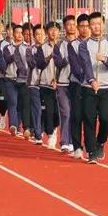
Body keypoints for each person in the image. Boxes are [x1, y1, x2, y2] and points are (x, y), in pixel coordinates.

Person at [79, 12, 108, 164]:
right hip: (88, 88)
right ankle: (91, 151)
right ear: (89, 26)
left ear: (103, 25)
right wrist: (91, 80)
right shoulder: (84, 45)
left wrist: (104, 59)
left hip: (106, 87)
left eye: (98, 24)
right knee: (89, 119)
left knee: (106, 119)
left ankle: (101, 142)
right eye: (93, 24)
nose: (96, 27)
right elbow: (85, 64)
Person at [54, 16, 79, 154]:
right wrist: (68, 59)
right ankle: (64, 141)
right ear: (64, 27)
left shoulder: (80, 44)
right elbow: (57, 62)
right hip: (63, 83)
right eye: (68, 24)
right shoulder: (59, 45)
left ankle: (73, 141)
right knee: (66, 113)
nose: (71, 27)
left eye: (73, 24)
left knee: (75, 114)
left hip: (76, 83)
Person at [2, 25, 29, 137]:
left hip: (23, 80)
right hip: (10, 78)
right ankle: (13, 125)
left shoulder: (28, 47)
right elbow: (7, 59)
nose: (19, 35)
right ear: (12, 34)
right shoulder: (7, 48)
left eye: (21, 32)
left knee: (22, 104)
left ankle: (23, 126)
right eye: (16, 32)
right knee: (13, 102)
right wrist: (16, 53)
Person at [68, 14, 90, 159]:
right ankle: (76, 146)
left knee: (89, 116)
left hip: (90, 86)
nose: (84, 29)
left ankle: (90, 146)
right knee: (76, 116)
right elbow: (75, 67)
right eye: (81, 26)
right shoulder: (73, 45)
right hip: (77, 83)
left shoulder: (96, 43)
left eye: (86, 26)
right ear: (78, 27)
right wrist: (88, 76)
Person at [39, 21, 61, 150]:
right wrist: (48, 57)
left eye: (56, 30)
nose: (53, 32)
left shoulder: (63, 46)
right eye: (51, 30)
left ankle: (55, 129)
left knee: (58, 113)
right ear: (47, 32)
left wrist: (57, 79)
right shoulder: (42, 47)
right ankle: (51, 133)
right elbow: (39, 64)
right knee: (48, 111)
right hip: (46, 84)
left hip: (60, 85)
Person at [26, 24, 46, 145]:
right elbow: (33, 64)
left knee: (47, 109)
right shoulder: (30, 49)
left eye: (42, 34)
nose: (40, 36)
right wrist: (40, 53)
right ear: (33, 36)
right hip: (33, 83)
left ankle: (43, 128)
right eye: (37, 34)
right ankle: (38, 134)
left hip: (47, 83)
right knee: (37, 108)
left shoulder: (50, 48)